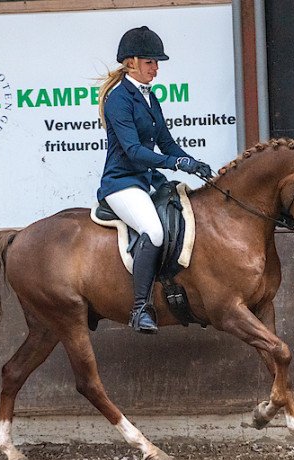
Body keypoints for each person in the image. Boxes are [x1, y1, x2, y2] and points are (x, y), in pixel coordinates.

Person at [97, 26, 213, 334]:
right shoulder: (118, 100)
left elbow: (166, 142)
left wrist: (192, 163)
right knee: (154, 231)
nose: (156, 69)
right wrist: (175, 162)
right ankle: (140, 308)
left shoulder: (150, 98)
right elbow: (134, 151)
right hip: (122, 183)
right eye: (151, 62)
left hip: (147, 179)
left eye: (157, 63)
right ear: (132, 62)